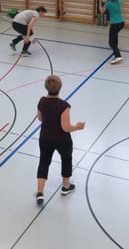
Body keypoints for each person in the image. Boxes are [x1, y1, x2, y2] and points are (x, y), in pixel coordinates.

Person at [35, 75, 85, 205]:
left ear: (46, 87)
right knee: (66, 159)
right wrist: (78, 127)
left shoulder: (41, 101)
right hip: (62, 140)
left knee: (44, 162)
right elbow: (66, 127)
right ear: (60, 88)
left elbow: (40, 118)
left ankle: (40, 193)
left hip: (45, 138)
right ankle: (66, 186)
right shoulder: (64, 106)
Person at [99, 0, 125, 64]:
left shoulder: (108, 4)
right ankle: (116, 50)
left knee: (111, 42)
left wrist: (100, 3)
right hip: (121, 23)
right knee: (114, 36)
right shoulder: (119, 1)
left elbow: (101, 11)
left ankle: (118, 56)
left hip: (115, 24)